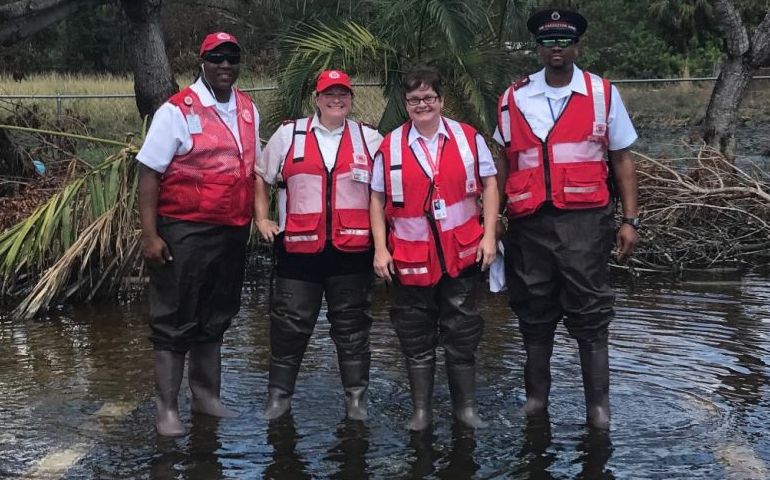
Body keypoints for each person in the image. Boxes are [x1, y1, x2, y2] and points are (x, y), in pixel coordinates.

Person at [495, 9, 639, 430]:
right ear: (538, 48)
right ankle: (536, 402)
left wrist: (630, 220)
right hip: (529, 224)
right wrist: (497, 216)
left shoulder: (602, 94)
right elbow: (504, 161)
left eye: (564, 42)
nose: (556, 49)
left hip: (585, 223)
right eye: (548, 42)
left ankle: (598, 409)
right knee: (532, 310)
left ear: (577, 47)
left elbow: (622, 160)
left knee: (590, 312)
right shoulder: (513, 97)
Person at [137, 32, 260, 437]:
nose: (225, 65)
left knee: (216, 315)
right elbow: (149, 174)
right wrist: (150, 235)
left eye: (232, 58)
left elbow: (253, 168)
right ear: (201, 60)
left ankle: (206, 399)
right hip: (184, 230)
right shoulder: (175, 110)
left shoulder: (247, 108)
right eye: (216, 58)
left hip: (231, 231)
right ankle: (167, 410)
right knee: (174, 318)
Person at [370, 66, 499, 431]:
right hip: (410, 259)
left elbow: (489, 185)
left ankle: (465, 410)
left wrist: (489, 236)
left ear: (441, 100)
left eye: (428, 98)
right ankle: (422, 413)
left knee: (463, 331)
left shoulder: (467, 138)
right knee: (414, 334)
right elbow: (377, 199)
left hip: (461, 255)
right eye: (414, 100)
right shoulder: (390, 145)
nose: (422, 105)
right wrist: (380, 249)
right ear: (405, 104)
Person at [255, 70, 383, 422]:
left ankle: (356, 400)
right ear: (317, 97)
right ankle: (279, 398)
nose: (336, 100)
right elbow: (261, 176)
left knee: (353, 328)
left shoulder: (369, 139)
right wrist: (263, 219)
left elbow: (385, 190)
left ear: (351, 99)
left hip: (352, 254)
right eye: (329, 93)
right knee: (289, 326)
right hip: (298, 253)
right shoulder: (288, 134)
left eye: (343, 94)